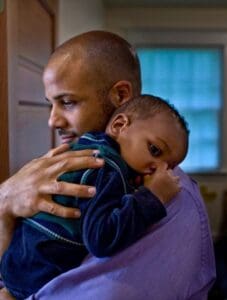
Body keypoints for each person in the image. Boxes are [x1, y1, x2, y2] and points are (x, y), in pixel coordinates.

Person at [0, 30, 215, 300]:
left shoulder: (168, 197)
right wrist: (5, 203)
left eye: (67, 102)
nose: (53, 121)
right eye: (51, 104)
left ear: (121, 96)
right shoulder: (69, 164)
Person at [0, 95, 189, 299]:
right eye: (154, 150)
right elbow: (102, 239)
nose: (158, 169)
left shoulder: (90, 145)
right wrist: (153, 196)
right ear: (119, 125)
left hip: (17, 264)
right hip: (33, 278)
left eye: (169, 167)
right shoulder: (105, 169)